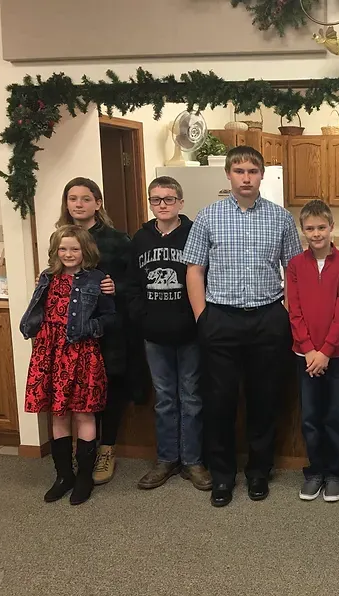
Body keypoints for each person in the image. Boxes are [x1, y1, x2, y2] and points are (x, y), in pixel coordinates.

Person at [184, 146, 302, 508]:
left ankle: (258, 473)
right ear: (228, 175)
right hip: (221, 318)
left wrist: (285, 312)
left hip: (267, 319)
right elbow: (193, 269)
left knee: (264, 399)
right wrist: (202, 317)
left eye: (252, 170)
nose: (246, 177)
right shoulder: (208, 217)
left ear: (262, 175)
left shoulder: (281, 219)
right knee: (219, 401)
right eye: (239, 170)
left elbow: (294, 272)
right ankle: (222, 476)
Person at [20, 225, 115, 505]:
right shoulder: (47, 278)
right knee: (58, 414)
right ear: (56, 251)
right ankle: (63, 476)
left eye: (74, 248)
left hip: (82, 352)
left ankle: (85, 476)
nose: (68, 254)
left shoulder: (97, 279)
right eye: (63, 248)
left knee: (83, 414)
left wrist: (90, 328)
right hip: (49, 352)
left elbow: (111, 317)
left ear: (85, 251)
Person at [128, 177, 212, 491]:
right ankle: (166, 459)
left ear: (180, 201)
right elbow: (131, 284)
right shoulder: (140, 238)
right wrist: (142, 315)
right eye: (156, 199)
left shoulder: (194, 233)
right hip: (154, 334)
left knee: (191, 398)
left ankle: (192, 461)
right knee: (164, 400)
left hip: (189, 332)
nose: (162, 204)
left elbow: (206, 277)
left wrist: (201, 319)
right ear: (150, 203)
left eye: (168, 198)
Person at [55, 177, 132, 486]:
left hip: (108, 328)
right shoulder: (61, 238)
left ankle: (106, 448)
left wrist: (118, 287)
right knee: (79, 389)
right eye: (72, 198)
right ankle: (81, 450)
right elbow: (55, 272)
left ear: (98, 204)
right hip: (73, 332)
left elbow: (135, 280)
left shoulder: (117, 239)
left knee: (109, 387)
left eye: (85, 199)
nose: (78, 204)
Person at [286, 200, 339, 503]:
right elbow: (294, 310)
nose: (316, 233)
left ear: (331, 228)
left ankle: (335, 473)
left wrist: (325, 351)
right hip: (305, 355)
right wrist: (310, 350)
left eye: (321, 227)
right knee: (311, 417)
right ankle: (315, 470)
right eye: (310, 228)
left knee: (336, 415)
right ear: (303, 231)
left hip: (337, 355)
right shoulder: (296, 265)